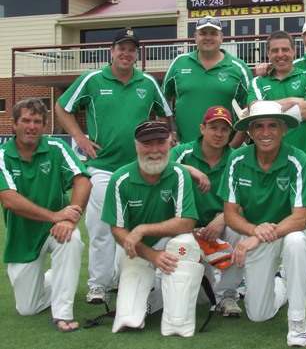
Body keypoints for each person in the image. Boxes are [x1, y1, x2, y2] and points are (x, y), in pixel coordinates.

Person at [55, 28, 173, 304]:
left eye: (131, 49)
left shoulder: (147, 82)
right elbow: (62, 107)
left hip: (139, 169)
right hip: (103, 167)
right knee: (100, 227)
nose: (126, 53)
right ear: (112, 51)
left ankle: (127, 278)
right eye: (121, 48)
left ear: (136, 54)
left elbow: (166, 115)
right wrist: (80, 138)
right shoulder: (93, 79)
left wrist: (165, 141)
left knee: (136, 225)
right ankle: (99, 284)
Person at [218, 101, 306, 347]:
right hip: (258, 233)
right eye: (259, 127)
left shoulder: (298, 159)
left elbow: (300, 218)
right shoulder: (237, 159)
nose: (266, 133)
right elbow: (230, 214)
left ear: (283, 129)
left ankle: (298, 320)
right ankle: (282, 283)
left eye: (273, 125)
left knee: (297, 243)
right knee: (258, 314)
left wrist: (256, 236)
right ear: (250, 132)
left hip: (288, 231)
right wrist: (254, 230)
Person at [248, 29, 306, 300]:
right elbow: (253, 112)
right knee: (271, 220)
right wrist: (294, 102)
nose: (280, 55)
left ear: (294, 51)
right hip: (269, 163)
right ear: (268, 54)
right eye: (275, 51)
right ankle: (277, 274)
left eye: (285, 49)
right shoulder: (258, 82)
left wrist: (273, 109)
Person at [101, 120, 203, 336]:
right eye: (147, 144)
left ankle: (177, 320)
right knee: (128, 318)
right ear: (136, 145)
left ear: (170, 144)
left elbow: (186, 222)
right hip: (134, 246)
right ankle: (153, 295)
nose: (154, 150)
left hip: (168, 239)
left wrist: (143, 229)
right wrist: (152, 254)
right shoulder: (120, 179)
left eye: (160, 143)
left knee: (184, 243)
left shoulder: (178, 173)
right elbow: (118, 230)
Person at [0, 98, 92, 332]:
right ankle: (54, 277)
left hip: (57, 230)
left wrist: (69, 218)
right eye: (26, 121)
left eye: (38, 121)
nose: (32, 126)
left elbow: (82, 181)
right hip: (23, 236)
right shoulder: (2, 154)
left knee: (71, 240)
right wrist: (55, 216)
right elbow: (9, 199)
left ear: (44, 125)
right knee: (27, 308)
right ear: (13, 124)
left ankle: (62, 314)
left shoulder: (55, 147)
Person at [170, 105, 243, 317]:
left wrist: (224, 217)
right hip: (187, 227)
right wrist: (189, 169)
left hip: (220, 224)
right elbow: (160, 166)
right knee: (201, 298)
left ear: (230, 132)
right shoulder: (182, 153)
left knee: (240, 232)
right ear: (202, 128)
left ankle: (228, 294)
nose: (218, 134)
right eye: (213, 127)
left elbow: (247, 196)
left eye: (224, 129)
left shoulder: (238, 157)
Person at [162, 15, 253, 147]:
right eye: (203, 33)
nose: (208, 37)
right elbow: (164, 102)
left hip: (226, 151)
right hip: (186, 149)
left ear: (222, 37)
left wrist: (233, 147)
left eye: (214, 34)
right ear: (195, 37)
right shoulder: (179, 63)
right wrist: (169, 131)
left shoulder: (239, 67)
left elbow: (249, 111)